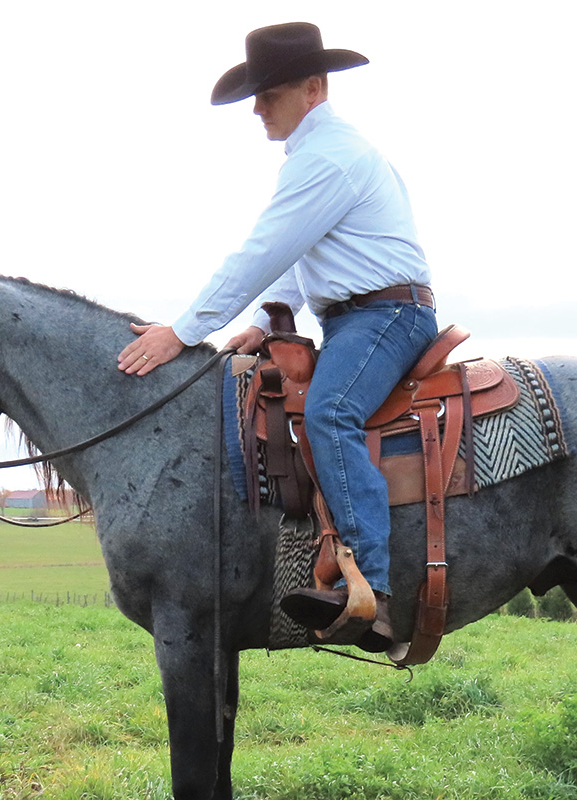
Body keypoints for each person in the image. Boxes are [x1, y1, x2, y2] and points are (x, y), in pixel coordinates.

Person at [116, 22, 435, 652]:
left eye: (270, 93)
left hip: (384, 318)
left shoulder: (329, 159)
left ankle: (372, 591)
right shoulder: (318, 157)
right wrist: (263, 325)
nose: (258, 108)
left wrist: (183, 333)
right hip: (354, 317)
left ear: (313, 88)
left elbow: (260, 253)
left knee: (330, 411)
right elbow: (294, 256)